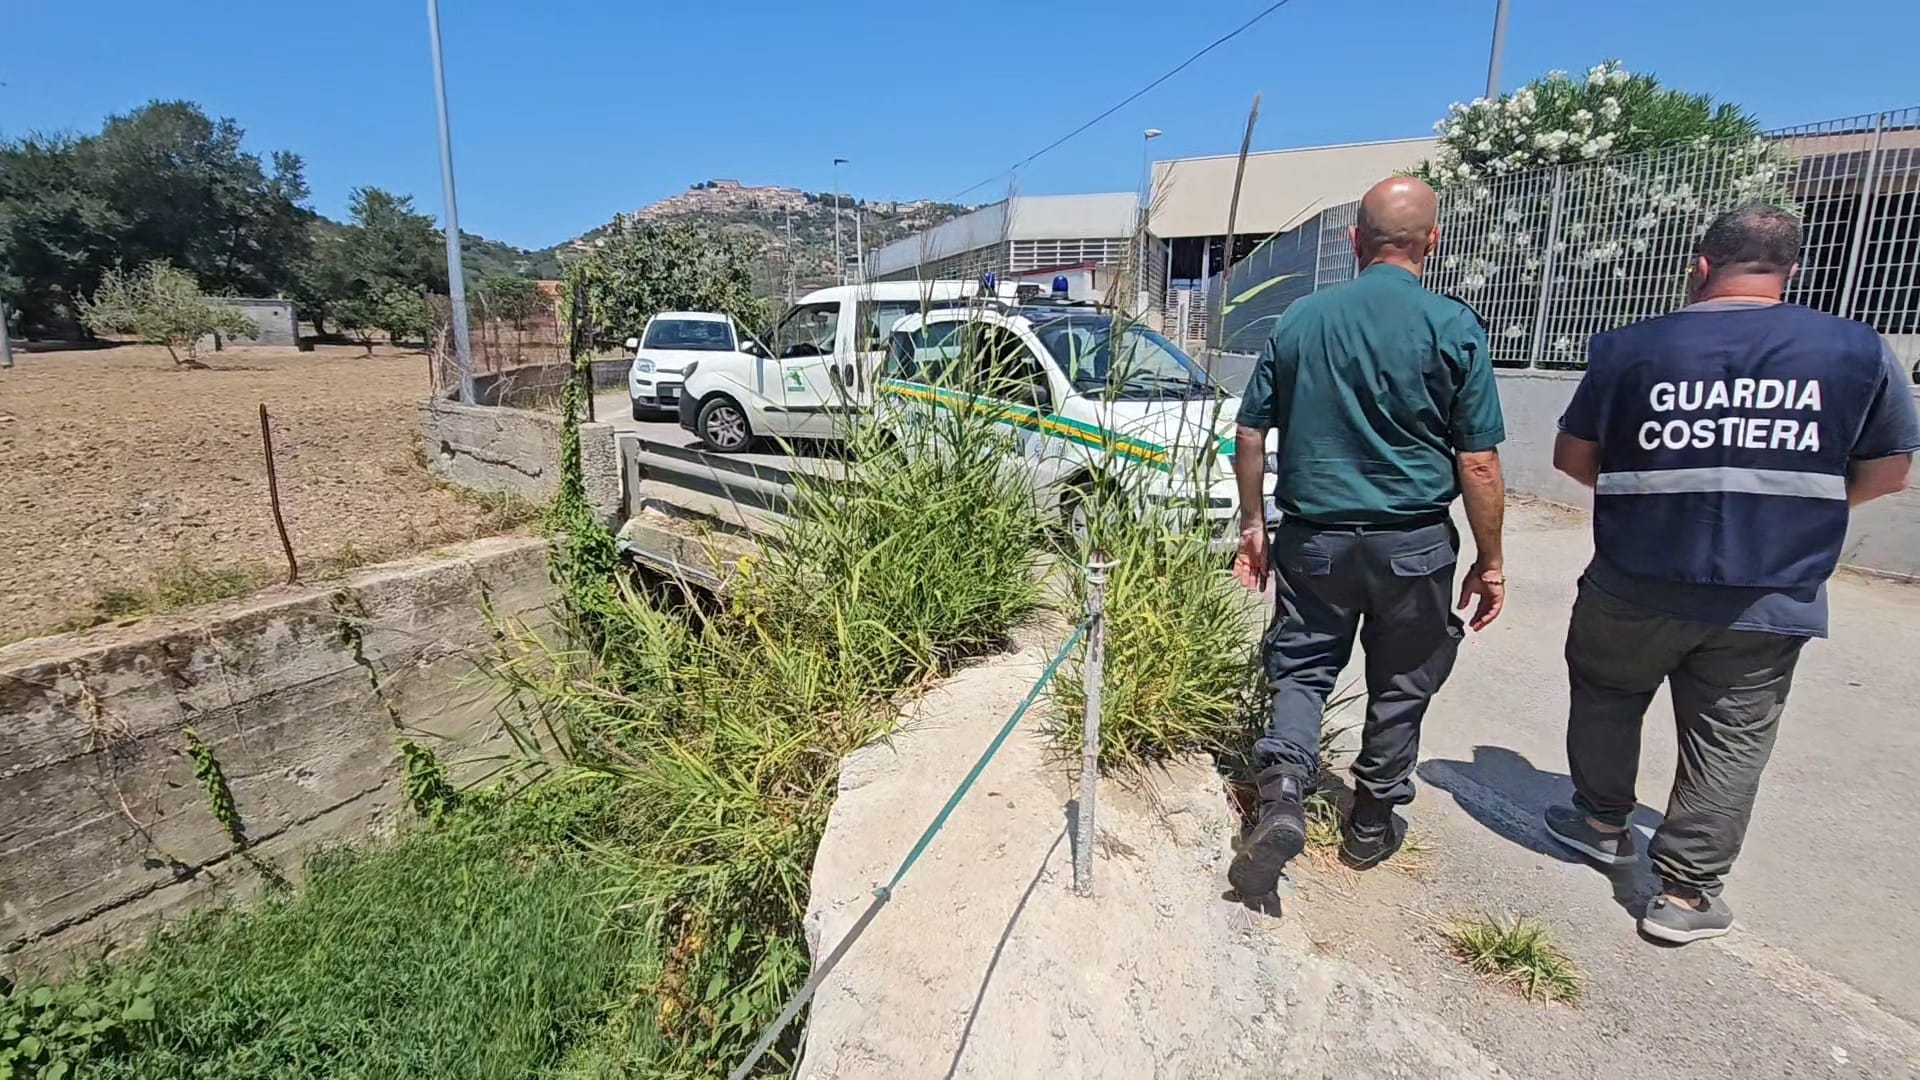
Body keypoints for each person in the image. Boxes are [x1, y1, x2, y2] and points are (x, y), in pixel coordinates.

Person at [1543, 203, 1920, 944]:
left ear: (1702, 266)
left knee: (1608, 693)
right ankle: (1684, 894)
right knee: (1733, 733)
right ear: (1792, 273)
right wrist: (1792, 505)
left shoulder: (1630, 349)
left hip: (1634, 578)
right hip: (1771, 589)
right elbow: (1890, 471)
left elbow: (1571, 457)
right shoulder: (1856, 350)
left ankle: (1599, 821)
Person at [1228, 176, 1509, 900]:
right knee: (1403, 680)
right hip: (1414, 545)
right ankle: (1370, 822)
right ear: (1432, 241)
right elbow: (1477, 460)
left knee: (1302, 668)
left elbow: (1251, 431)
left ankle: (1285, 787)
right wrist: (1491, 560)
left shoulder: (1300, 320)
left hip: (1314, 540)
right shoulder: (1452, 324)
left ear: (1355, 242)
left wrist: (1253, 525)